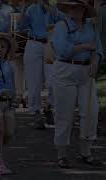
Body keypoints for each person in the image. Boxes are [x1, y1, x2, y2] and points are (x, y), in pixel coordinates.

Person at [51, 0, 103, 168]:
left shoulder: (91, 27)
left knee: (91, 111)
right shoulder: (61, 25)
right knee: (64, 113)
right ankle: (61, 154)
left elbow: (98, 50)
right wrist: (85, 46)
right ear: (68, 9)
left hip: (86, 71)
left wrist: (95, 63)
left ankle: (86, 152)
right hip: (65, 69)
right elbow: (62, 50)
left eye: (79, 7)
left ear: (84, 9)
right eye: (72, 7)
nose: (75, 10)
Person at [18, 0, 65, 129]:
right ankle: (35, 112)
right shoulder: (31, 8)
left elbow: (66, 22)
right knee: (33, 82)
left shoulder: (56, 8)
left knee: (53, 80)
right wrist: (23, 10)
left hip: (51, 45)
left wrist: (52, 10)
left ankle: (49, 107)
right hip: (33, 44)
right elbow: (20, 27)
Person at [0, 33, 16, 175]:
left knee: (9, 133)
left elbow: (13, 84)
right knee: (0, 131)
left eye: (3, 46)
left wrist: (15, 98)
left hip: (8, 104)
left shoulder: (9, 65)